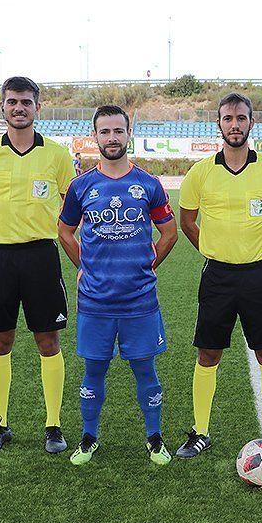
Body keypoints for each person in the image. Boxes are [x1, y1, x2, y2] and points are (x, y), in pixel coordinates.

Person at [175, 92, 262, 459]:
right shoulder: (201, 172)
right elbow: (187, 221)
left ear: (251, 123)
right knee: (208, 353)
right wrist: (213, 248)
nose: (235, 125)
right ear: (219, 123)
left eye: (241, 118)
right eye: (228, 118)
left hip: (258, 275)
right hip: (217, 275)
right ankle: (200, 431)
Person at [58, 105, 178, 466]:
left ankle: (154, 439)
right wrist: (84, 264)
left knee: (146, 370)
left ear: (129, 135)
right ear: (95, 136)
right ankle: (88, 437)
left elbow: (169, 232)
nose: (112, 138)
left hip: (139, 300)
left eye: (118, 131)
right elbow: (64, 230)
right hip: (95, 302)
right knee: (94, 371)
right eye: (105, 132)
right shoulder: (81, 186)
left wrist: (148, 263)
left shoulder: (148, 184)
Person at [0, 76, 75, 455]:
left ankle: (53, 425)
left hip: (42, 256)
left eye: (26, 102)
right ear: (2, 107)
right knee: (0, 340)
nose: (19, 108)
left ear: (38, 107)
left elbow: (69, 208)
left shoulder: (57, 156)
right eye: (12, 102)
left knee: (48, 340)